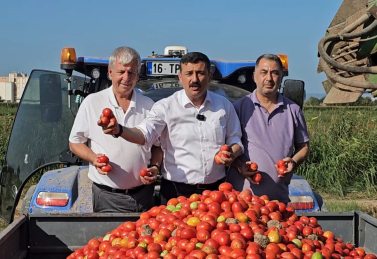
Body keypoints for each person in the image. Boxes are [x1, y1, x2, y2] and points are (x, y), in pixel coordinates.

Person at [103, 52, 244, 205]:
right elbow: (144, 133)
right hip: (176, 193)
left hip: (216, 193)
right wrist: (120, 130)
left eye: (200, 73)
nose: (194, 79)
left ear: (210, 76)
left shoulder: (224, 106)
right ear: (180, 78)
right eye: (189, 73)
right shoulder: (165, 107)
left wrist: (231, 152)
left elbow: (235, 139)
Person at [69, 46, 162, 213]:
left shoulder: (149, 106)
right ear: (110, 72)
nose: (126, 78)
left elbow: (157, 146)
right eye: (121, 72)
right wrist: (94, 158)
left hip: (144, 195)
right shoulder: (92, 102)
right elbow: (75, 142)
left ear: (137, 75)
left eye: (132, 72)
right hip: (107, 196)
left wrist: (154, 167)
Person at [227, 54, 310, 204]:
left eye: (275, 73)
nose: (269, 78)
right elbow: (226, 151)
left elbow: (303, 147)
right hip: (242, 202)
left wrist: (294, 162)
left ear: (281, 77)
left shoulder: (293, 110)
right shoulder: (238, 108)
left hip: (279, 202)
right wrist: (239, 166)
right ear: (255, 76)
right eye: (264, 72)